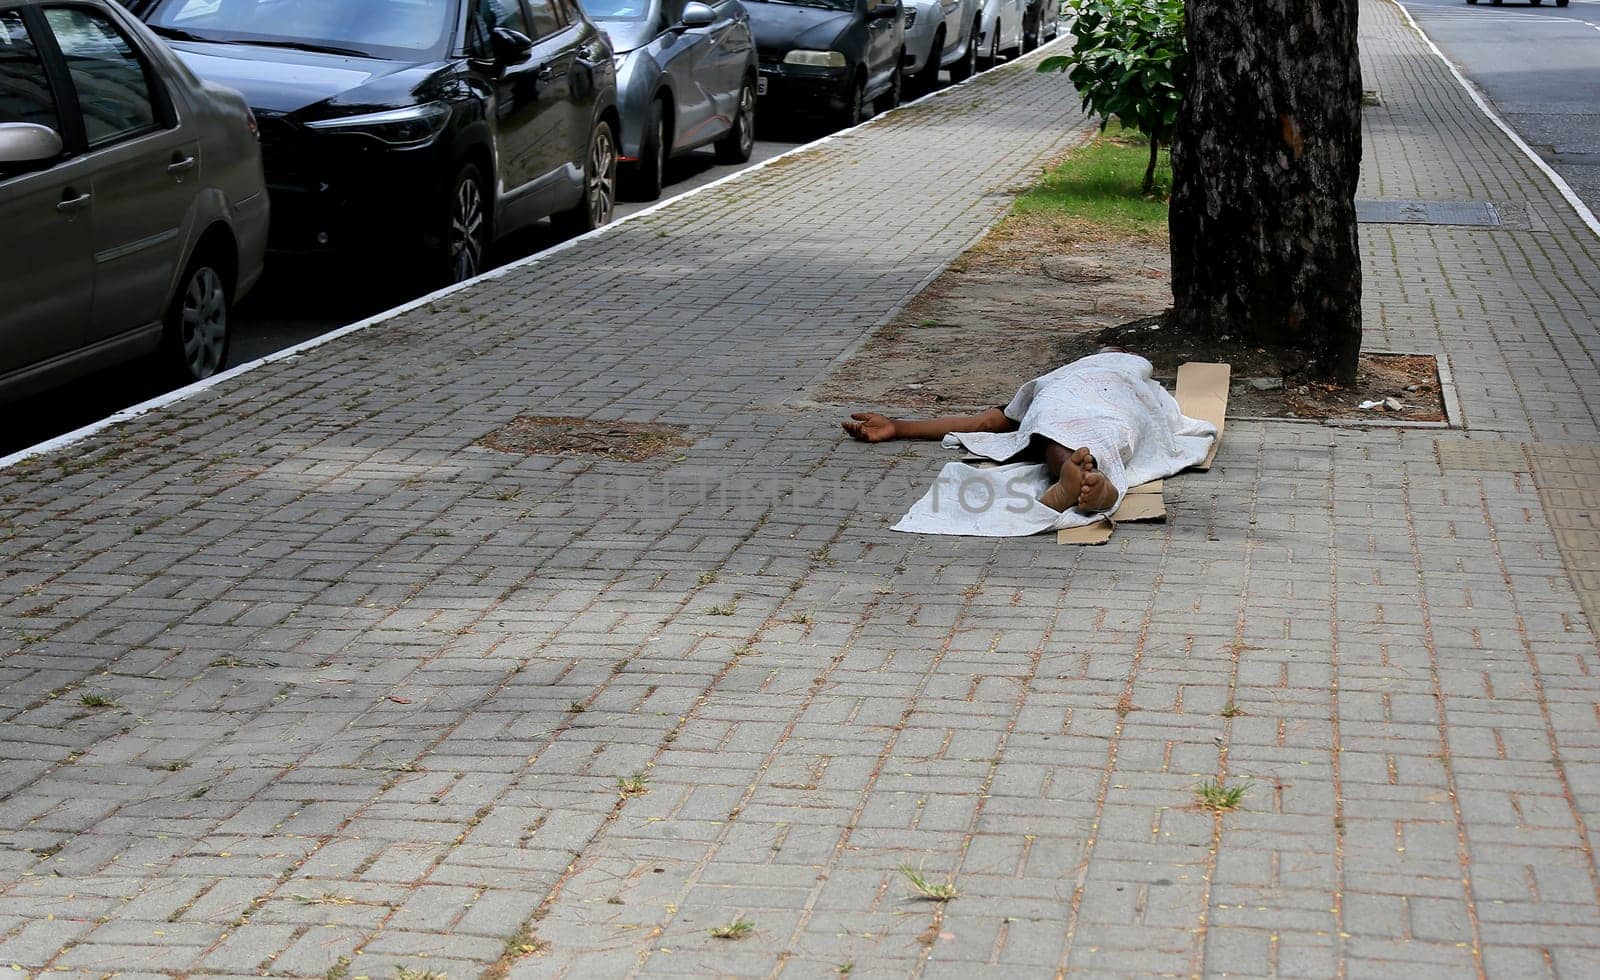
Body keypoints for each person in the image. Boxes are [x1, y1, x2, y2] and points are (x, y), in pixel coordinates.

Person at [842, 350, 1216, 529]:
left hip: (1067, 404)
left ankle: (1077, 479)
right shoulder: (1141, 382)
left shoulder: (1060, 378)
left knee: (1054, 432)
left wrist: (900, 426)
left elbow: (986, 424)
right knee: (1110, 432)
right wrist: (896, 426)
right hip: (1116, 405)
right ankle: (1098, 485)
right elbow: (1162, 418)